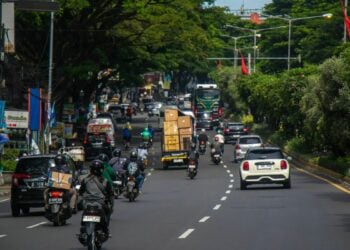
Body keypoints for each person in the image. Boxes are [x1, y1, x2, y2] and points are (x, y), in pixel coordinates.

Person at [78, 160, 113, 237]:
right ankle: (106, 230)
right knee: (108, 212)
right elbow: (110, 193)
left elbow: (80, 192)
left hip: (86, 203)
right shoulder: (105, 181)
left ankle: (83, 229)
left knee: (84, 212)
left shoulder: (85, 180)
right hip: (100, 203)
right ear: (101, 170)